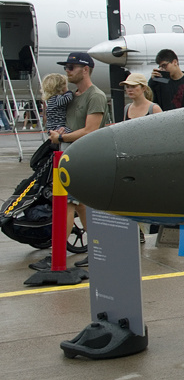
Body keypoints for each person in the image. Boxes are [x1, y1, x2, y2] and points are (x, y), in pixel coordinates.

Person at [47, 52, 112, 261]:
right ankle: (99, 248)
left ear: (85, 69)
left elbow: (89, 131)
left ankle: (56, 255)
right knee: (81, 205)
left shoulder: (96, 96)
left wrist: (61, 139)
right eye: (66, 67)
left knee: (67, 204)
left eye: (71, 67)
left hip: (84, 158)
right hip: (68, 156)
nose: (67, 71)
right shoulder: (71, 97)